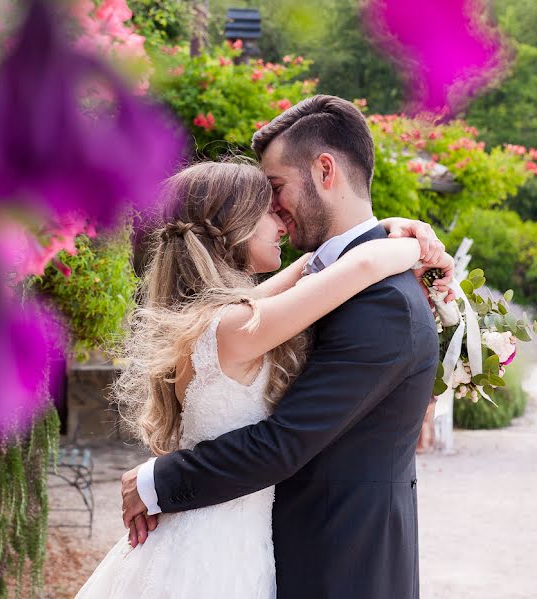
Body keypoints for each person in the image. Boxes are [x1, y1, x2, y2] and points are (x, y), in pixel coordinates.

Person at [80, 96, 453, 598]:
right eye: (263, 202)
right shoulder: (255, 311)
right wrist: (407, 244)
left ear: (325, 171)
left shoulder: (381, 299)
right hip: (239, 551)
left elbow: (287, 442)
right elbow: (335, 270)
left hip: (338, 567)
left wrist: (397, 239)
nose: (275, 211)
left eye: (276, 188)